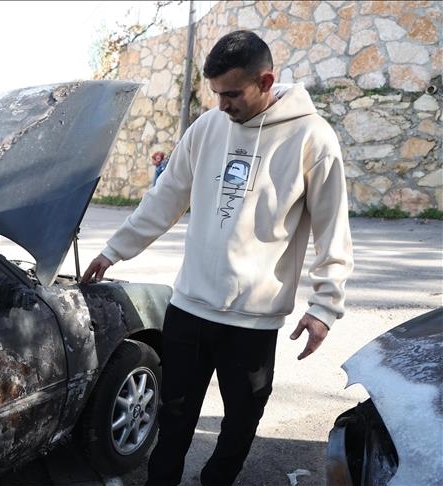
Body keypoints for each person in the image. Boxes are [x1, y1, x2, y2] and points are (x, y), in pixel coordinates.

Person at [81, 30, 353, 485]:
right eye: (216, 94)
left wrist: (325, 306)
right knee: (173, 417)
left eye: (232, 94)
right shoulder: (207, 128)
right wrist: (115, 250)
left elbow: (332, 229)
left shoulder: (312, 138)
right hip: (189, 309)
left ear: (265, 81)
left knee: (241, 423)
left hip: (252, 321)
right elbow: (165, 197)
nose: (222, 104)